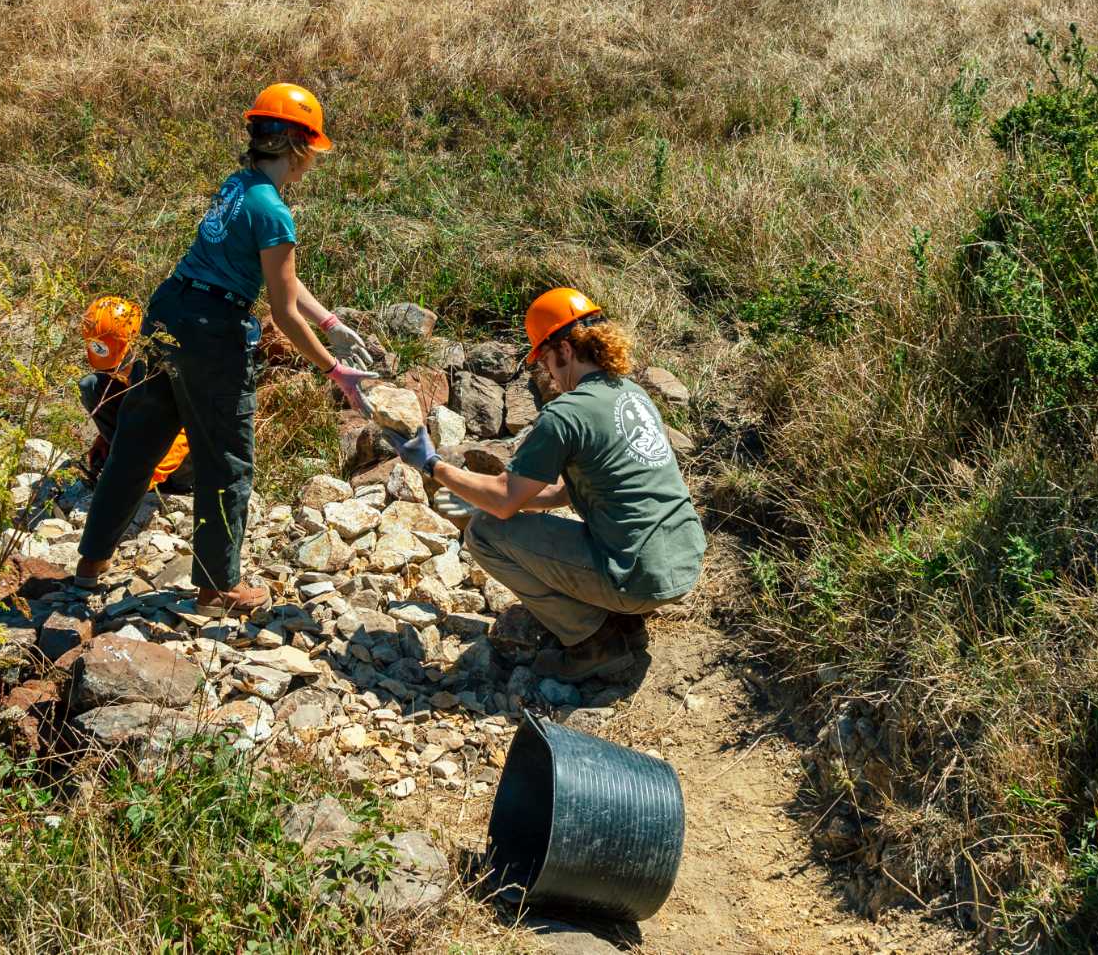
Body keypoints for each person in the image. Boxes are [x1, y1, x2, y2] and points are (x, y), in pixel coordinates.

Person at [74, 84, 378, 612]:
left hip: (169, 309)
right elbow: (281, 311)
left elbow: (281, 279)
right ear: (298, 146)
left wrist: (328, 320)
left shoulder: (238, 187)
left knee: (137, 442)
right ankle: (218, 585)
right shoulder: (275, 213)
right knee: (226, 458)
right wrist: (336, 371)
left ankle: (90, 564)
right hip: (213, 332)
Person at [384, 287, 705, 682]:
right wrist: (498, 499)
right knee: (501, 519)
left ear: (565, 351)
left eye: (547, 362)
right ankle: (624, 618)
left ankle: (594, 642)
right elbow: (565, 492)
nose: (549, 374)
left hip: (641, 578)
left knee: (485, 533)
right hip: (684, 560)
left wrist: (433, 465)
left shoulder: (567, 415)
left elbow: (503, 502)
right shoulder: (632, 394)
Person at [78, 294, 192, 495]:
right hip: (148, 446)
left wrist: (147, 477)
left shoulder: (168, 361)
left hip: (181, 462)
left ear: (135, 339)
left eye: (118, 364)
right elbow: (131, 401)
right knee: (92, 385)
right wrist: (104, 440)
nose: (115, 371)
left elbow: (186, 431)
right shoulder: (129, 365)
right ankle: (121, 463)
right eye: (110, 368)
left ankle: (165, 485)